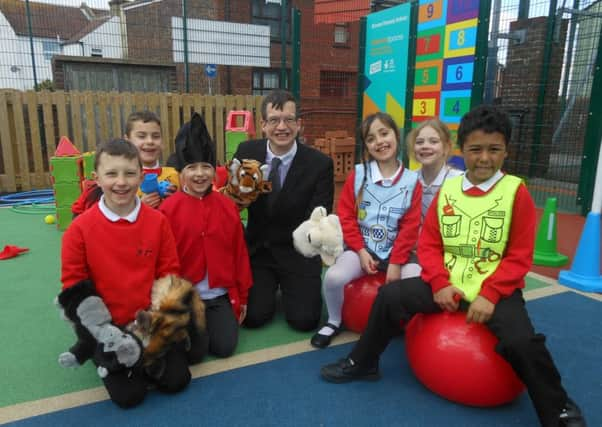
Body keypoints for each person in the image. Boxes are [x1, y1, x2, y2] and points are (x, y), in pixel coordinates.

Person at [320, 105, 586, 427]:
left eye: (494, 150)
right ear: (462, 150)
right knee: (390, 298)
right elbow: (430, 244)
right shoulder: (450, 190)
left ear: (506, 151)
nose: (484, 158)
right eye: (475, 149)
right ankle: (362, 361)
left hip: (494, 293)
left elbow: (519, 256)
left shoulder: (516, 192)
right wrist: (439, 283)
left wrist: (491, 294)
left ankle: (556, 407)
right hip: (447, 285)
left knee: (522, 341)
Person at [58, 139, 198, 408]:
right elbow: (74, 286)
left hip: (148, 320)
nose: (120, 182)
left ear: (141, 176)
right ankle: (101, 352)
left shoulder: (158, 222)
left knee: (177, 381)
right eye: (111, 174)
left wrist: (157, 320)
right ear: (96, 178)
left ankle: (147, 353)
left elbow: (169, 273)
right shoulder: (79, 229)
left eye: (129, 173)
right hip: (108, 328)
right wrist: (102, 331)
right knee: (129, 397)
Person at [310, 112, 422, 349]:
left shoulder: (412, 181)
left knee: (416, 280)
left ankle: (412, 328)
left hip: (396, 253)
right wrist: (360, 251)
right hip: (361, 248)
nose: (379, 142)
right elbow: (347, 217)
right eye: (371, 139)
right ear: (367, 146)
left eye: (384, 133)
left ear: (396, 135)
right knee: (334, 276)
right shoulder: (359, 174)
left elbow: (410, 226)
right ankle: (334, 320)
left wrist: (396, 262)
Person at [232, 89, 334, 331]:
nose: (282, 127)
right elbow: (231, 202)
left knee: (305, 321)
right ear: (263, 125)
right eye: (274, 120)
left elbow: (318, 216)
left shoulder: (319, 164)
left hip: (297, 251)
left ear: (299, 124)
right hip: (260, 251)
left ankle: (291, 288)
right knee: (253, 318)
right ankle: (267, 288)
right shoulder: (246, 153)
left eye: (289, 120)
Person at [160, 113, 253, 358]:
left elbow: (239, 253)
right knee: (194, 355)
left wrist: (242, 297)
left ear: (215, 171)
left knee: (224, 348)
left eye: (206, 167)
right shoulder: (168, 210)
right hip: (187, 296)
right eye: (191, 167)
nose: (199, 174)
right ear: (181, 172)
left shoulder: (227, 206)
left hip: (219, 295)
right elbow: (163, 261)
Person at [71, 111, 178, 215]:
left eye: (155, 136)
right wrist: (137, 208)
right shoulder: (106, 182)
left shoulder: (176, 176)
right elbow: (82, 219)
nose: (150, 141)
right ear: (127, 139)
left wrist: (176, 199)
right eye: (141, 136)